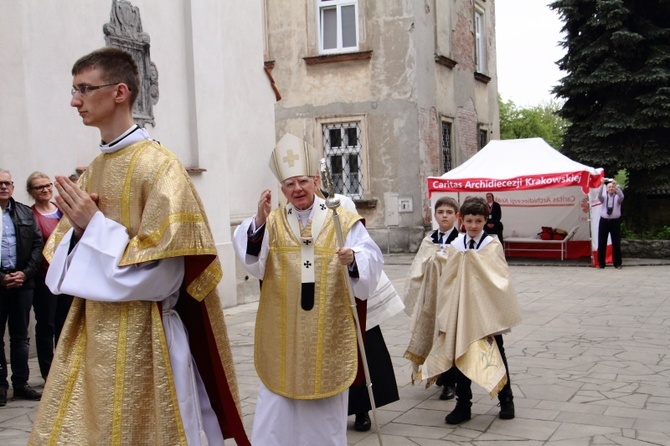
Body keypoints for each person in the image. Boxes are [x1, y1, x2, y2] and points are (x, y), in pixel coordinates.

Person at [29, 47, 249, 445]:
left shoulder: (160, 167)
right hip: (90, 333)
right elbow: (59, 272)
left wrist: (92, 227)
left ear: (119, 92)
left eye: (84, 89)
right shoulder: (93, 170)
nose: (74, 100)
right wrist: (80, 232)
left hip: (146, 339)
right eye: (74, 89)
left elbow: (164, 277)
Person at [233, 133, 384, 445]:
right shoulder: (271, 221)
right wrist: (258, 224)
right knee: (276, 416)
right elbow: (254, 265)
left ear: (316, 180)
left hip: (326, 332)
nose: (296, 189)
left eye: (302, 181)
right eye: (289, 184)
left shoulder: (342, 218)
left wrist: (354, 258)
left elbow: (371, 259)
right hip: (282, 337)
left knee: (322, 421)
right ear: (282, 188)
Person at [404, 196, 521, 425]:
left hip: (486, 313)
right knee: (460, 354)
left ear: (486, 220)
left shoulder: (492, 245)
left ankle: (506, 399)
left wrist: (472, 262)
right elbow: (448, 278)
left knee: (496, 352)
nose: (474, 225)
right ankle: (463, 404)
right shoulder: (457, 246)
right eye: (469, 220)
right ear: (462, 220)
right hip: (460, 311)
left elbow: (499, 277)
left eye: (478, 220)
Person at [325, 190, 402, 432]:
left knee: (363, 348)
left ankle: (361, 409)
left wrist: (354, 258)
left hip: (350, 283)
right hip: (321, 291)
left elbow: (360, 242)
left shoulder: (340, 201)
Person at [403, 197, 461, 401]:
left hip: (450, 299)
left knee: (448, 337)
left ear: (456, 216)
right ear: (435, 215)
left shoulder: (460, 241)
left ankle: (450, 382)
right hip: (430, 299)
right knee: (432, 335)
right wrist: (433, 259)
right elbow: (417, 268)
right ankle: (436, 373)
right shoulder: (429, 240)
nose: (444, 215)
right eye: (441, 212)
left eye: (449, 212)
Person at [0, 169, 44, 407]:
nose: (3, 187)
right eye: (0, 183)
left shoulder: (25, 213)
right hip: (0, 283)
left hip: (22, 282)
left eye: (7, 183)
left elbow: (37, 245)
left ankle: (21, 384)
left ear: (13, 187)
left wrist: (25, 273)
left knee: (21, 336)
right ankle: (0, 385)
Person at [26, 172, 72, 380]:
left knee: (65, 324)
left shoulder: (61, 212)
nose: (45, 190)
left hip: (67, 276)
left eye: (47, 186)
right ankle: (48, 372)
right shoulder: (30, 216)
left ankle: (66, 370)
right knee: (47, 325)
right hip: (44, 277)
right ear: (31, 192)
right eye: (39, 187)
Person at [597, 179, 624, 269]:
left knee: (616, 243)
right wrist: (601, 184)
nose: (611, 188)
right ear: (606, 189)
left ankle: (617, 263)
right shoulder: (604, 197)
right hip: (604, 221)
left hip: (615, 221)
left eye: (612, 187)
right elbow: (599, 195)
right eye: (609, 187)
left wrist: (616, 186)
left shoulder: (618, 197)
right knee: (602, 242)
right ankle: (601, 263)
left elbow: (622, 196)